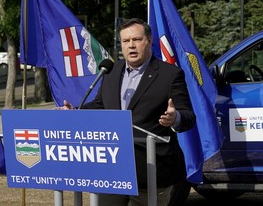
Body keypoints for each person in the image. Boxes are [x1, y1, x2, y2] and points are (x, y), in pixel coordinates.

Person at [58, 18, 195, 206]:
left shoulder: (170, 74)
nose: (131, 45)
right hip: (113, 169)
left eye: (137, 40)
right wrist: (75, 111)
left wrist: (175, 117)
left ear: (149, 41)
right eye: (126, 41)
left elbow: (188, 117)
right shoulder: (111, 72)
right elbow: (100, 105)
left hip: (152, 170)